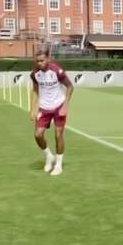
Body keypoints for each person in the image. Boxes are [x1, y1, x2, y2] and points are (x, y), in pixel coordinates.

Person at [29, 47, 73, 176]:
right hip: (44, 107)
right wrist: (32, 109)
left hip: (59, 105)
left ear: (48, 58)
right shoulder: (34, 74)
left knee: (58, 134)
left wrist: (66, 105)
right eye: (37, 61)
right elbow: (35, 90)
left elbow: (70, 86)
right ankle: (49, 155)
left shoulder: (57, 71)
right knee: (38, 135)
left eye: (42, 60)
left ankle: (58, 165)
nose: (40, 63)